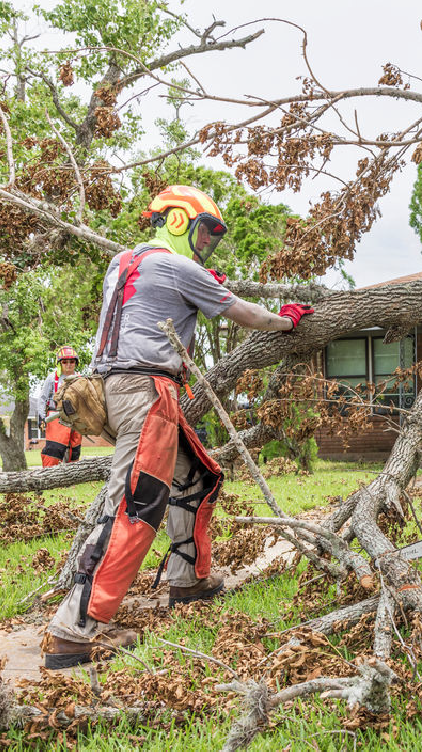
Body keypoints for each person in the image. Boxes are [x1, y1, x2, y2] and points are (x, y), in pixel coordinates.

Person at [44, 185, 316, 669]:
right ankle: (75, 630)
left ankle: (188, 581)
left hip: (113, 391)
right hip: (146, 392)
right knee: (134, 505)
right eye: (203, 233)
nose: (205, 244)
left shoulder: (123, 262)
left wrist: (199, 279)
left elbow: (151, 303)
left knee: (195, 478)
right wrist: (286, 321)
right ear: (176, 221)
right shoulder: (178, 266)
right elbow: (245, 313)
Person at [37, 346, 84, 466]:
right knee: (54, 449)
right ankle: (50, 476)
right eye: (65, 362)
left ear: (76, 363)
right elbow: (42, 399)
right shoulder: (52, 378)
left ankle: (71, 479)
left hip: (75, 418)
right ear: (60, 363)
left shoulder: (81, 379)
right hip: (55, 417)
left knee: (74, 449)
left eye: (72, 361)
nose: (68, 364)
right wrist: (42, 418)